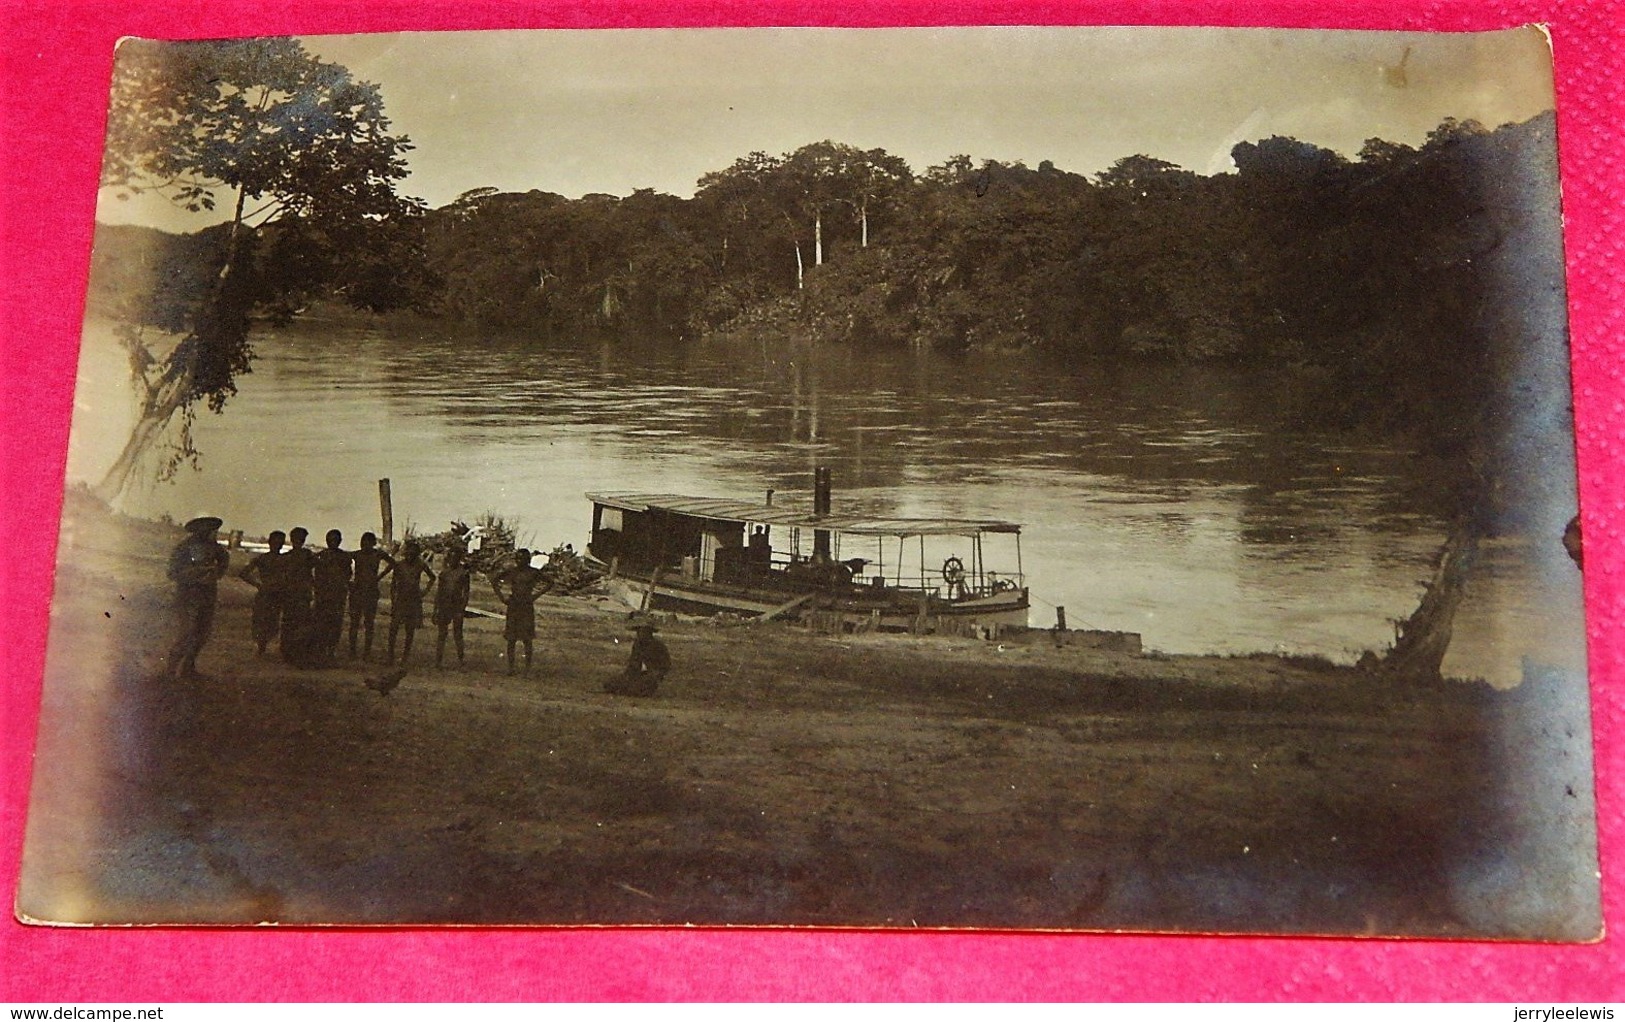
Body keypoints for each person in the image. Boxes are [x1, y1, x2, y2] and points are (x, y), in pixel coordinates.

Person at [166, 515, 231, 680]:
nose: (212, 533)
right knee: (186, 632)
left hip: (207, 595)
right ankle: (170, 670)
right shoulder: (183, 548)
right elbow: (172, 572)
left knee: (202, 633)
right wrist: (194, 573)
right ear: (198, 530)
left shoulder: (215, 549)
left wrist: (214, 572)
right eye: (208, 529)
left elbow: (223, 562)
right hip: (187, 596)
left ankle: (189, 667)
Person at [492, 548, 545, 676]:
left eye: (522, 559)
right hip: (514, 605)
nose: (519, 561)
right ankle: (511, 668)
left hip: (526, 606)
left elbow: (550, 582)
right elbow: (494, 580)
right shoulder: (512, 572)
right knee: (511, 638)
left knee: (527, 639)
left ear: (528, 560)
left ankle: (527, 669)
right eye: (517, 558)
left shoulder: (533, 573)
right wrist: (502, 597)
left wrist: (535, 596)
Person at [237, 530, 288, 656]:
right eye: (276, 542)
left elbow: (244, 573)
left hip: (270, 593)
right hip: (271, 593)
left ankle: (262, 647)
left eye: (279, 543)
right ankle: (262, 646)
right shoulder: (282, 560)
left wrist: (258, 585)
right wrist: (258, 585)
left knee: (267, 620)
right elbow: (243, 573)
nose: (277, 545)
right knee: (267, 620)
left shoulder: (264, 559)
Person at [348, 532, 396, 660]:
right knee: (355, 622)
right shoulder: (357, 554)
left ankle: (366, 653)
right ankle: (353, 651)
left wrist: (379, 577)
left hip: (370, 591)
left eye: (368, 543)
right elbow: (343, 561)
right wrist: (349, 580)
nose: (365, 545)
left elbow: (393, 563)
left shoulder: (377, 554)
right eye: (363, 543)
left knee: (368, 623)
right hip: (358, 590)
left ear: (373, 543)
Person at [387, 541, 435, 665]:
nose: (410, 556)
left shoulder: (420, 565)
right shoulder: (399, 565)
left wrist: (424, 591)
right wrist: (393, 600)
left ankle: (405, 657)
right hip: (401, 600)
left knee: (410, 629)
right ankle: (390, 655)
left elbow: (432, 577)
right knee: (394, 628)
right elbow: (393, 585)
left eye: (413, 554)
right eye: (408, 553)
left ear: (416, 554)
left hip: (413, 600)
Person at [310, 529, 353, 666]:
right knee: (321, 623)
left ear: (340, 541)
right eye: (330, 540)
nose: (333, 542)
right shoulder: (320, 556)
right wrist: (316, 586)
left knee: (335, 624)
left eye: (335, 540)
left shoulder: (344, 557)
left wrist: (342, 585)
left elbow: (348, 574)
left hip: (337, 595)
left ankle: (331, 651)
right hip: (323, 595)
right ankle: (321, 651)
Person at [279, 527, 316, 663]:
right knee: (300, 622)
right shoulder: (307, 555)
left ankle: (287, 650)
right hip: (301, 593)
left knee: (288, 622)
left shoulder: (287, 556)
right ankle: (296, 651)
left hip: (290, 592)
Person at [607, 617, 669, 696]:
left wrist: (656, 674)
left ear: (649, 633)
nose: (640, 634)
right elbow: (633, 663)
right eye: (639, 631)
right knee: (612, 683)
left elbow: (666, 665)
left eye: (644, 631)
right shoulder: (637, 645)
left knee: (638, 688)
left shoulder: (658, 646)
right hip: (637, 674)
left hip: (651, 676)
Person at [433, 548, 472, 668]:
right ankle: (438, 661)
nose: (453, 560)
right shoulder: (444, 573)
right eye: (451, 557)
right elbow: (439, 592)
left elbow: (466, 592)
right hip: (444, 605)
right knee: (442, 634)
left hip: (457, 606)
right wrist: (435, 609)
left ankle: (461, 660)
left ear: (459, 559)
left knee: (458, 634)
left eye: (456, 557)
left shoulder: (464, 573)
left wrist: (462, 608)